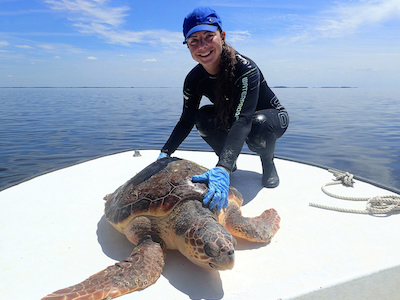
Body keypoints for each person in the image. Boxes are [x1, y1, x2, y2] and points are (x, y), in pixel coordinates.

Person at [158, 7, 289, 211]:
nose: (202, 46)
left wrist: (222, 167)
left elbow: (243, 119)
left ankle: (267, 163)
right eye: (194, 40)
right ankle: (229, 160)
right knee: (202, 117)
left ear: (222, 36)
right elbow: (186, 119)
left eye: (208, 36)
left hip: (270, 118)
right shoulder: (194, 79)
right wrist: (165, 153)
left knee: (257, 125)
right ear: (188, 46)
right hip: (236, 117)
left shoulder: (245, 69)